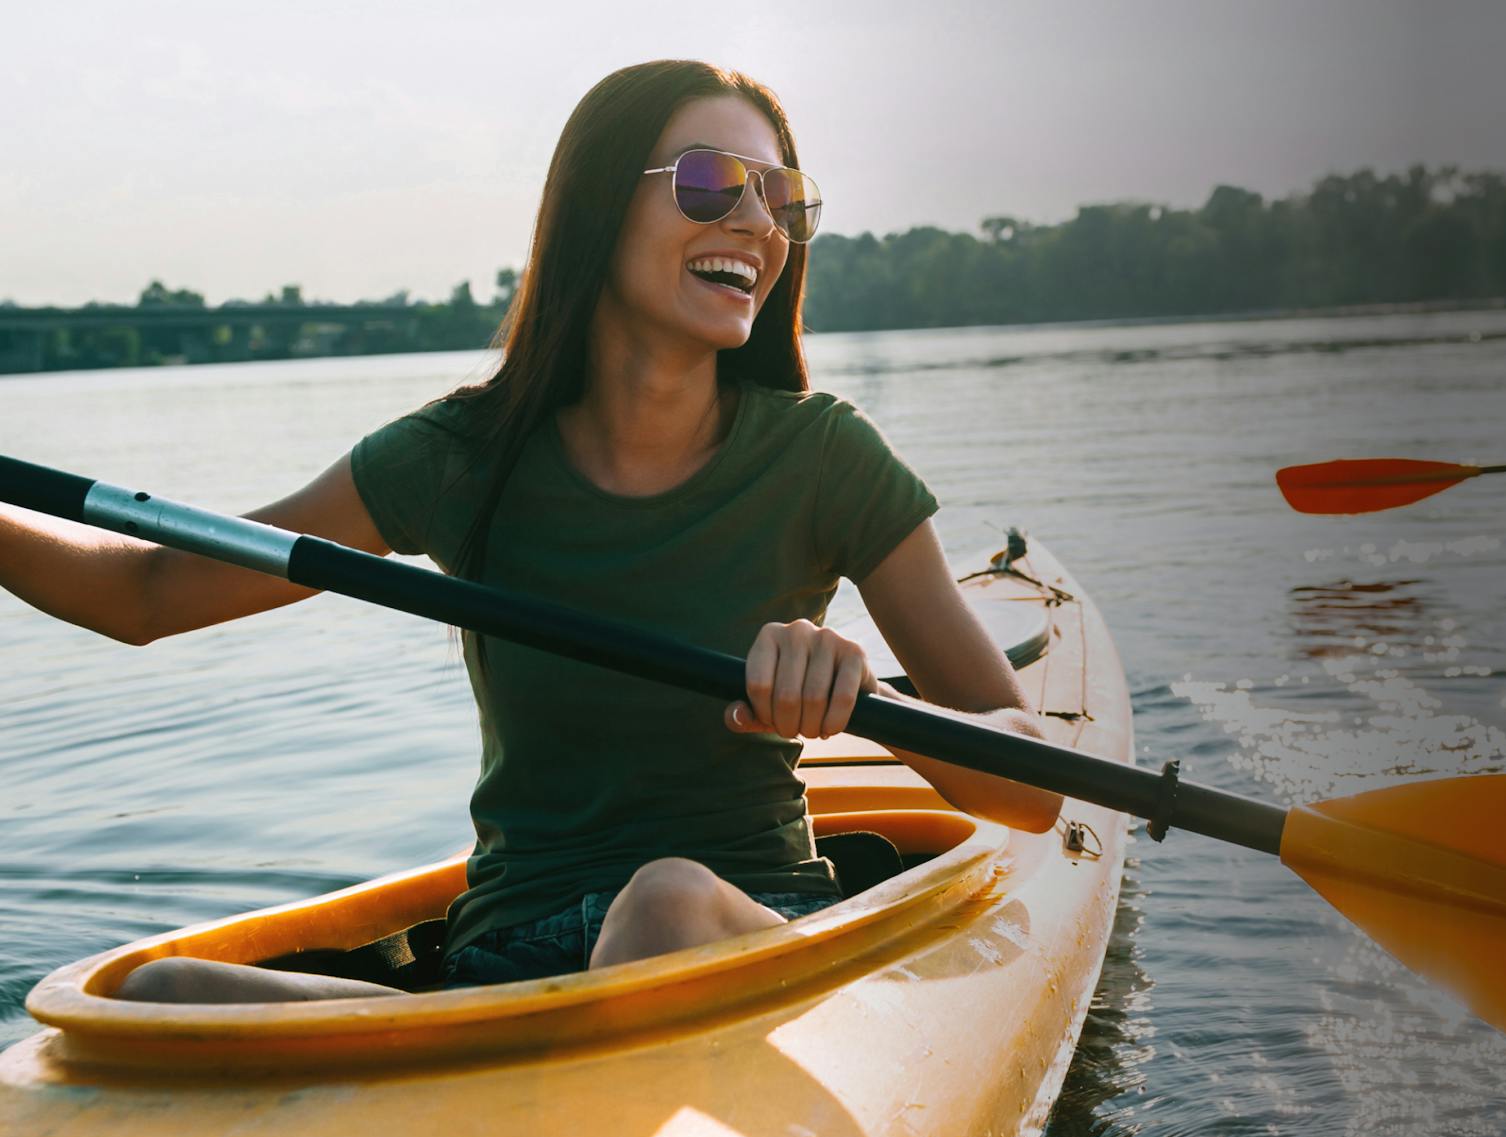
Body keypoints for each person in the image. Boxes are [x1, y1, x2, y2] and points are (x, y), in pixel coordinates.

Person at [0, 60, 1062, 1002]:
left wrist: (862, 695)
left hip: (741, 930)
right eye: (709, 183)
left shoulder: (827, 457)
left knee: (663, 905)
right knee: (166, 990)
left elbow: (1028, 783)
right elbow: (141, 594)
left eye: (782, 198)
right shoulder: (460, 456)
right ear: (599, 208)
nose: (757, 223)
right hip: (504, 959)